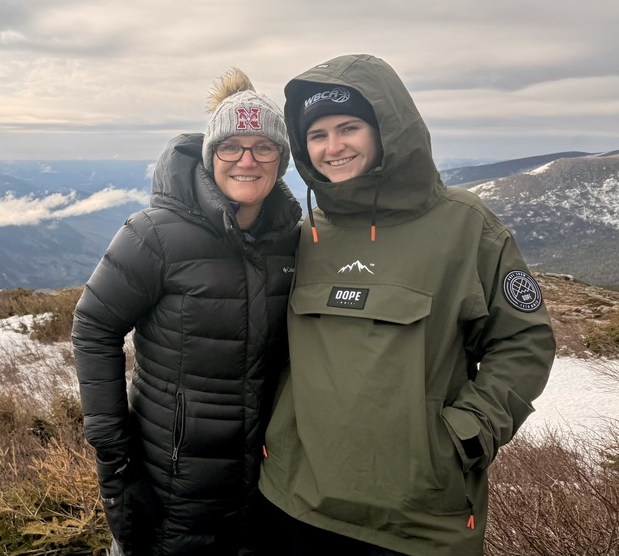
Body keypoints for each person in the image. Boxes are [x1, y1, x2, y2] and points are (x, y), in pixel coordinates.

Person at [255, 53, 556, 556]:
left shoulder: (465, 226)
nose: (333, 147)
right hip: (293, 501)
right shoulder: (306, 235)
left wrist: (468, 433)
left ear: (386, 129)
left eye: (348, 127)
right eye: (318, 135)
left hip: (419, 521)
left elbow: (525, 340)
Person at [72, 67, 303, 556]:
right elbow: (93, 325)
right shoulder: (155, 234)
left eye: (263, 147)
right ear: (209, 154)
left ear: (281, 161)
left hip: (264, 481)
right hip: (169, 480)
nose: (247, 160)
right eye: (231, 147)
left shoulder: (291, 240)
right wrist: (114, 456)